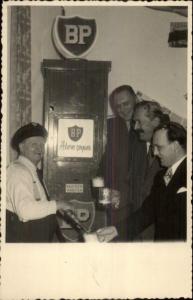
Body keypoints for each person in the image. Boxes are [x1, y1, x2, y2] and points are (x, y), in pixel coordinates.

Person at [6, 122, 74, 243]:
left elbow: (37, 201)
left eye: (42, 144)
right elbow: (25, 211)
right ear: (21, 147)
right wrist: (57, 205)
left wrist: (55, 205)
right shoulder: (18, 171)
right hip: (24, 243)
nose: (39, 149)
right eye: (34, 144)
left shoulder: (32, 171)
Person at [124, 122, 187, 241]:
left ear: (175, 146)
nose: (155, 153)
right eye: (153, 147)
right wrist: (116, 231)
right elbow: (148, 212)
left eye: (159, 147)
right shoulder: (161, 176)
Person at [99, 85, 145, 241]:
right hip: (118, 204)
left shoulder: (147, 126)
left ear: (136, 100)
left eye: (126, 104)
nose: (122, 110)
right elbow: (104, 165)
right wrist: (103, 193)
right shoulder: (110, 126)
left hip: (142, 202)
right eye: (118, 106)